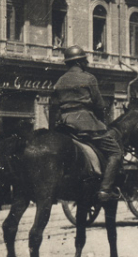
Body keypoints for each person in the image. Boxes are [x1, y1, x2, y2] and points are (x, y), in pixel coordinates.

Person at [50, 45, 123, 202]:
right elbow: (99, 105)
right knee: (115, 152)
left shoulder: (60, 81)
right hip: (86, 124)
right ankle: (105, 190)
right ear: (79, 62)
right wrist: (102, 122)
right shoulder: (89, 78)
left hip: (65, 125)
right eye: (84, 61)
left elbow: (54, 105)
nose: (86, 63)